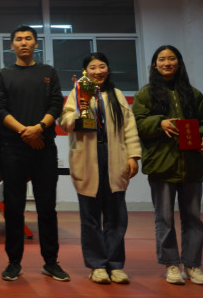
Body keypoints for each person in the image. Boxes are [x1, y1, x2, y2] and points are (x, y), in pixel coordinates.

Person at [0, 25, 69, 282]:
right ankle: (14, 262)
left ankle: (51, 262)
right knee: (14, 208)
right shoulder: (3, 75)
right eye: (19, 39)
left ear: (36, 43)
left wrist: (39, 128)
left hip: (44, 148)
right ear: (11, 45)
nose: (23, 42)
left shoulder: (48, 73)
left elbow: (56, 104)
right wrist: (25, 131)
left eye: (28, 39)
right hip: (13, 150)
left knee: (47, 207)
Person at [132, 45, 203, 286]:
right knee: (165, 219)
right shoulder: (145, 94)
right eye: (162, 59)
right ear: (154, 64)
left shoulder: (193, 94)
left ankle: (192, 265)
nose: (167, 63)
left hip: (192, 165)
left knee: (193, 218)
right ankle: (171, 264)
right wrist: (159, 123)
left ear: (178, 62)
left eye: (171, 59)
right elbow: (137, 123)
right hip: (161, 165)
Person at [58, 53, 141, 284]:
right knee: (90, 217)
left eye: (102, 66)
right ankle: (97, 265)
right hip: (87, 159)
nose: (98, 71)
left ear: (108, 69)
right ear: (85, 72)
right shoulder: (77, 94)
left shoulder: (117, 95)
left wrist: (133, 156)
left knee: (117, 216)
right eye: (92, 68)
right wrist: (80, 111)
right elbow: (64, 123)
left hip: (115, 158)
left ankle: (115, 265)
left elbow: (129, 127)